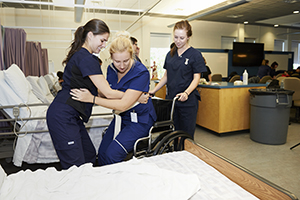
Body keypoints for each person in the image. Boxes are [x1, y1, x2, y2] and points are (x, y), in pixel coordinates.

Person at [46, 19, 129, 169]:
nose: (104, 45)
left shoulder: (80, 55)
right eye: (102, 40)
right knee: (75, 166)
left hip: (72, 115)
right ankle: (77, 190)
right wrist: (134, 95)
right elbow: (108, 93)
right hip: (62, 116)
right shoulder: (87, 58)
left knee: (89, 155)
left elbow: (96, 91)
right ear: (90, 35)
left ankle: (88, 188)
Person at [70, 31, 156, 166]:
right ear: (110, 57)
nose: (121, 66)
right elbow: (108, 93)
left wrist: (91, 99)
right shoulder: (111, 69)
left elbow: (122, 105)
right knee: (102, 153)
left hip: (139, 121)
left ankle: (118, 185)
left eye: (126, 61)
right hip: (121, 118)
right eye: (117, 61)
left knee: (112, 155)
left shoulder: (141, 73)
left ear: (132, 55)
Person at [149, 20, 206, 139]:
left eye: (182, 38)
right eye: (176, 37)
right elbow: (166, 76)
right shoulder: (170, 54)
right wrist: (153, 91)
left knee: (186, 134)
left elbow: (196, 78)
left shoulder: (195, 55)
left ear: (188, 37)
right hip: (172, 100)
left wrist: (186, 92)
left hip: (188, 101)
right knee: (173, 133)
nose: (178, 41)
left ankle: (186, 155)